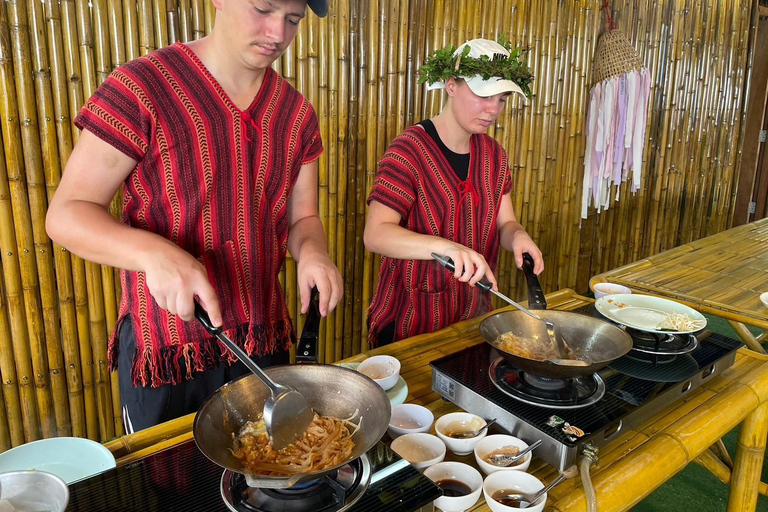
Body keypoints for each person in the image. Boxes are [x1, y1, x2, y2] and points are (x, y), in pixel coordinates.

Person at [45, 0, 342, 433]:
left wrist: (313, 251)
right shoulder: (142, 87)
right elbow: (67, 214)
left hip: (262, 341)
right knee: (174, 490)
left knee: (268, 478)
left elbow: (303, 218)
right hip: (168, 346)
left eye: (293, 19)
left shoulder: (296, 113)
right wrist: (155, 254)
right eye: (263, 9)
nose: (278, 34)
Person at [364, 38, 544, 347]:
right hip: (409, 322)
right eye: (483, 94)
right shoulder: (408, 150)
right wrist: (447, 248)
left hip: (472, 320)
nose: (493, 109)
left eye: (501, 98)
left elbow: (506, 223)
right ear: (450, 85)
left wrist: (518, 237)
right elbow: (376, 235)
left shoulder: (493, 155)